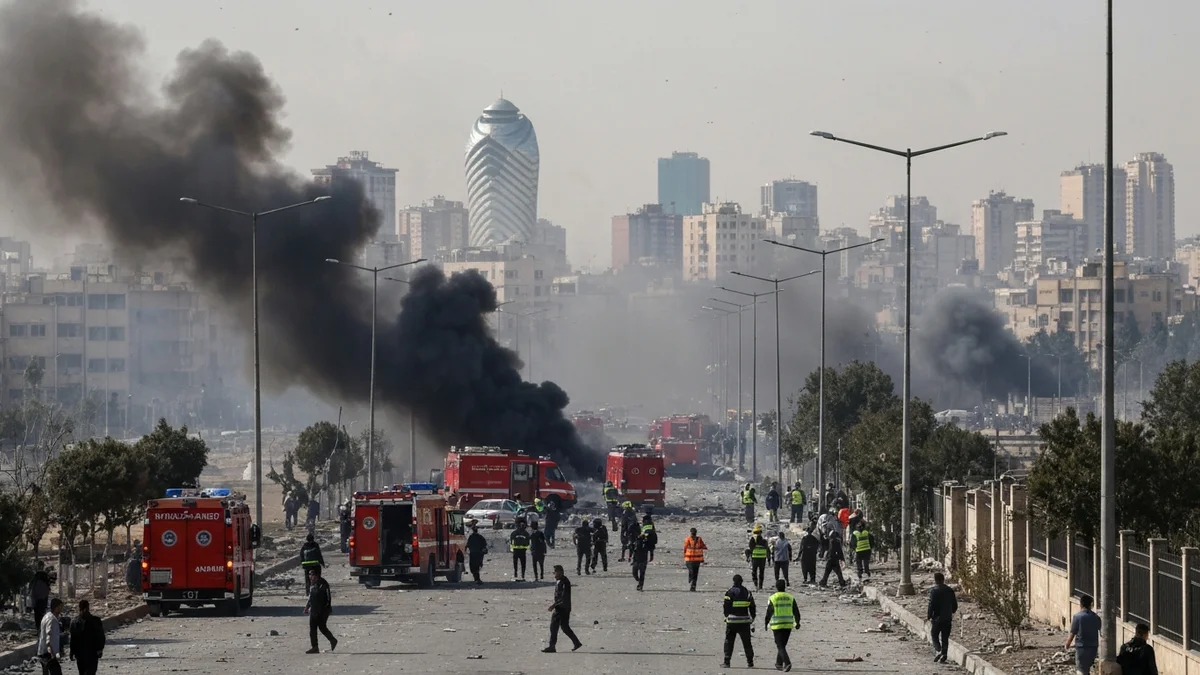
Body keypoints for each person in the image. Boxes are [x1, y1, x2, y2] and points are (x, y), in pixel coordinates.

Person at [543, 565, 582, 653]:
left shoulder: (565, 582)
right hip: (563, 607)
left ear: (560, 572)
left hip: (562, 608)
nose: (554, 574)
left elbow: (563, 597)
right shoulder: (560, 581)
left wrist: (554, 605)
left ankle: (552, 646)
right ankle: (577, 643)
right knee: (565, 627)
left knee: (554, 626)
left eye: (555, 572)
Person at [721, 574, 756, 669]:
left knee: (729, 641)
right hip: (744, 622)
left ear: (733, 581)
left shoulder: (730, 592)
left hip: (732, 621)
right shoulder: (747, 592)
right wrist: (752, 618)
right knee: (747, 642)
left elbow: (726, 606)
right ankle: (750, 662)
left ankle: (727, 662)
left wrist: (727, 615)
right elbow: (752, 607)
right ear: (741, 581)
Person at [765, 579, 797, 672]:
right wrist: (798, 622)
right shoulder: (790, 597)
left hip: (777, 625)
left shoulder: (773, 598)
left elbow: (769, 612)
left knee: (780, 645)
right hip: (788, 625)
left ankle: (787, 663)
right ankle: (778, 663)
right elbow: (796, 611)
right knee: (782, 645)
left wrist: (766, 623)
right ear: (785, 587)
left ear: (776, 587)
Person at [1065, 594, 1101, 675]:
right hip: (1093, 648)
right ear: (1090, 605)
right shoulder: (1096, 617)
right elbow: (1100, 628)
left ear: (1081, 604)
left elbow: (1073, 632)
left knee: (1081, 670)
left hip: (1082, 648)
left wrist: (1067, 644)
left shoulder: (1077, 617)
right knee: (1087, 669)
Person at [304, 567, 337, 654]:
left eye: (313, 575)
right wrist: (307, 606)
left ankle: (333, 640)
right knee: (312, 629)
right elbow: (310, 597)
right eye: (310, 575)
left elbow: (328, 597)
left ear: (317, 575)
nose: (311, 577)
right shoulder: (311, 584)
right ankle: (315, 647)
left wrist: (326, 608)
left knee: (322, 627)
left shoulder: (323, 584)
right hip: (314, 610)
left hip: (323, 610)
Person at [927, 571, 958, 663]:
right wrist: (952, 611)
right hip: (947, 617)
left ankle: (938, 649)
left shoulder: (934, 591)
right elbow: (954, 604)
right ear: (943, 580)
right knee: (945, 637)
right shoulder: (949, 590)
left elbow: (931, 604)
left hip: (937, 618)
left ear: (935, 580)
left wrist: (929, 615)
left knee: (934, 634)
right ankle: (944, 654)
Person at [68, 600, 104, 675]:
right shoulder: (95, 620)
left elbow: (73, 639)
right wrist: (100, 649)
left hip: (81, 654)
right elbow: (100, 636)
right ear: (87, 608)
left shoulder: (74, 621)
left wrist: (72, 652)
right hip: (91, 654)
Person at [37, 598, 63, 675]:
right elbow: (49, 636)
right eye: (60, 607)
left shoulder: (47, 616)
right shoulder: (52, 619)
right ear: (56, 607)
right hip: (48, 654)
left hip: (43, 652)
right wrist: (52, 653)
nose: (61, 609)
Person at [745, 525, 770, 590]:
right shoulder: (764, 541)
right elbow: (767, 549)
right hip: (762, 559)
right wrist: (769, 558)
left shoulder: (752, 540)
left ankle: (756, 584)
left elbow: (750, 548)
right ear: (760, 532)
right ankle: (760, 586)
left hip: (755, 558)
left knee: (754, 572)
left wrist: (747, 557)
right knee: (761, 572)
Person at [31, 561, 51, 630]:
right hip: (42, 600)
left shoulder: (36, 577)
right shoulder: (44, 576)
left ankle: (39, 629)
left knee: (37, 616)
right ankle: (41, 629)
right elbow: (47, 589)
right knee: (42, 615)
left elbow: (32, 590)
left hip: (37, 600)